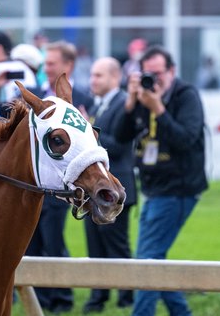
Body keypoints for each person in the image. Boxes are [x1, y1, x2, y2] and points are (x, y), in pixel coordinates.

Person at [114, 45, 208, 316]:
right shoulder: (142, 97)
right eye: (148, 74)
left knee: (146, 263)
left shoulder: (185, 96)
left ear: (172, 71)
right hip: (154, 189)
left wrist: (159, 109)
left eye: (159, 73)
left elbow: (185, 140)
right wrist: (131, 104)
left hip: (179, 189)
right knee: (154, 259)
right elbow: (121, 137)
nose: (154, 80)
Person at [25, 40, 94, 314]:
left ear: (68, 66)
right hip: (34, 185)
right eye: (45, 63)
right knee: (33, 241)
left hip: (62, 186)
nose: (46, 68)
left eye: (51, 63)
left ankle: (62, 299)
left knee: (53, 241)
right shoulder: (37, 96)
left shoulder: (85, 99)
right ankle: (39, 298)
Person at [82, 57, 137, 314]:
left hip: (117, 187)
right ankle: (98, 296)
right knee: (95, 246)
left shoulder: (124, 104)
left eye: (99, 75)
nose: (93, 80)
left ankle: (127, 297)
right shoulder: (98, 104)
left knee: (116, 246)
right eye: (92, 75)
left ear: (115, 78)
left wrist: (87, 129)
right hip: (96, 189)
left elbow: (120, 145)